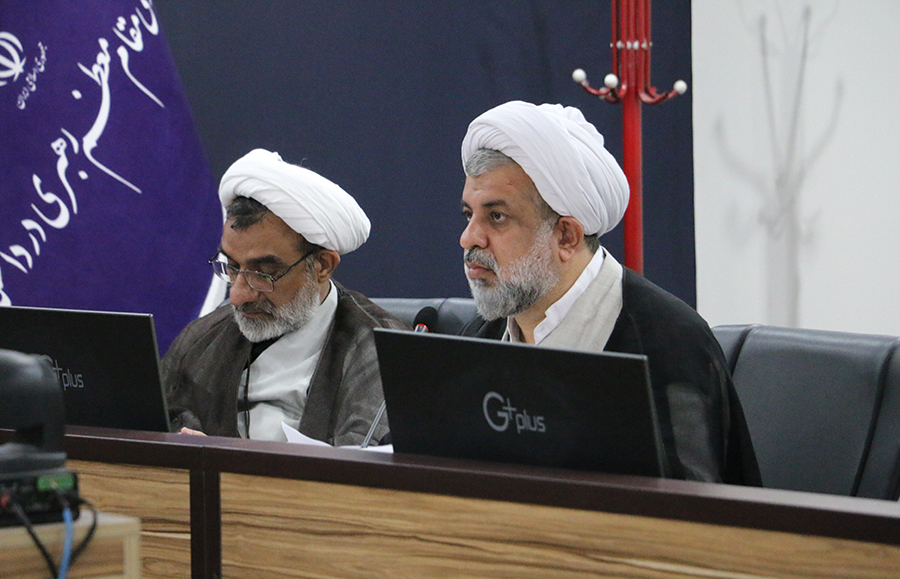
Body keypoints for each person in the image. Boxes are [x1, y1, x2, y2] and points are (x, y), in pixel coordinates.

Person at [457, 101, 760, 485]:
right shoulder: (479, 338)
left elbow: (688, 509)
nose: (469, 238)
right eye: (469, 214)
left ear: (566, 236)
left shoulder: (669, 344)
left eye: (496, 217)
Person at [161, 149, 407, 445]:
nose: (238, 296)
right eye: (233, 267)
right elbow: (162, 421)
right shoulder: (202, 338)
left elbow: (362, 461)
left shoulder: (380, 352)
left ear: (322, 266)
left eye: (264, 273)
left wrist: (225, 461)